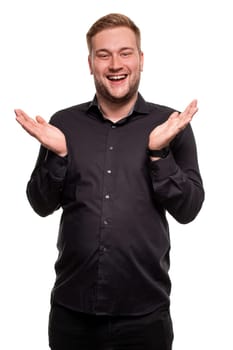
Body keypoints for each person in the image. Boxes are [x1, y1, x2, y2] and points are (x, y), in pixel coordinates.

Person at [15, 13, 205, 350]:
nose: (115, 64)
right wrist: (58, 155)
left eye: (125, 52)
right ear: (90, 63)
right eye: (103, 54)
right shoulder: (64, 124)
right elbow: (40, 204)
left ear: (141, 59)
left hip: (146, 316)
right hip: (71, 313)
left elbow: (189, 209)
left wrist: (159, 154)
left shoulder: (171, 125)